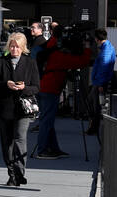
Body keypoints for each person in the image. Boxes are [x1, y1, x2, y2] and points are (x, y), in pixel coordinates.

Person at [32, 26, 94, 159]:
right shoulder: (59, 56)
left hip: (43, 88)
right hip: (50, 90)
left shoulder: (50, 50)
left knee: (47, 120)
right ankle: (42, 150)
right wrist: (87, 47)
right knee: (46, 121)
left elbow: (54, 42)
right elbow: (82, 61)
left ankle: (53, 148)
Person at [0, 32, 40, 186]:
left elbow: (37, 87)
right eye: (11, 46)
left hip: (22, 108)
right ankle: (12, 173)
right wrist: (6, 84)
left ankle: (19, 172)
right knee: (6, 143)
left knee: (20, 139)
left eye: (17, 47)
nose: (14, 49)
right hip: (4, 108)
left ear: (23, 47)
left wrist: (24, 88)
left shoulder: (30, 63)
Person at [86, 28, 116, 135]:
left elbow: (104, 66)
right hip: (98, 81)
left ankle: (94, 127)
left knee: (95, 105)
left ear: (96, 39)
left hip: (99, 82)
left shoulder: (106, 49)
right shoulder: (106, 48)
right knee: (93, 102)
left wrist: (100, 83)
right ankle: (93, 126)